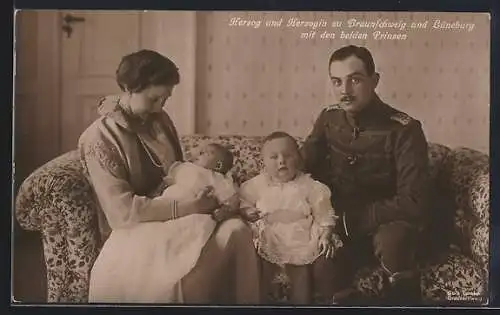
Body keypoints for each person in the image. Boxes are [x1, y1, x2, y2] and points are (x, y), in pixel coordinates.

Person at [78, 49, 260, 304]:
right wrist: (191, 205)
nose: (160, 108)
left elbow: (179, 170)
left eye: (165, 100)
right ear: (130, 88)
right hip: (137, 229)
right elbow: (122, 213)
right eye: (154, 99)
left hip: (184, 215)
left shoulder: (159, 120)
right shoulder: (100, 138)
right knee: (180, 282)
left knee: (238, 230)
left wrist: (214, 200)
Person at [300, 45, 430, 305]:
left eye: (355, 80)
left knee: (393, 242)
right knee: (323, 266)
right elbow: (303, 168)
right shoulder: (329, 118)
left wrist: (354, 220)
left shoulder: (405, 129)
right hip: (341, 225)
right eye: (337, 82)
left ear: (375, 80)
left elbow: (413, 201)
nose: (344, 91)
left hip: (388, 223)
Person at [239, 131, 342, 304]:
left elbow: (323, 212)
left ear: (299, 158)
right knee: (262, 265)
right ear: (263, 162)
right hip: (269, 233)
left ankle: (301, 303)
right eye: (273, 157)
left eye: (288, 155)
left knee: (300, 270)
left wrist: (326, 233)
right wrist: (247, 212)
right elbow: (242, 202)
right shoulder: (256, 185)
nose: (281, 161)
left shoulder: (310, 186)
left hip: (301, 233)